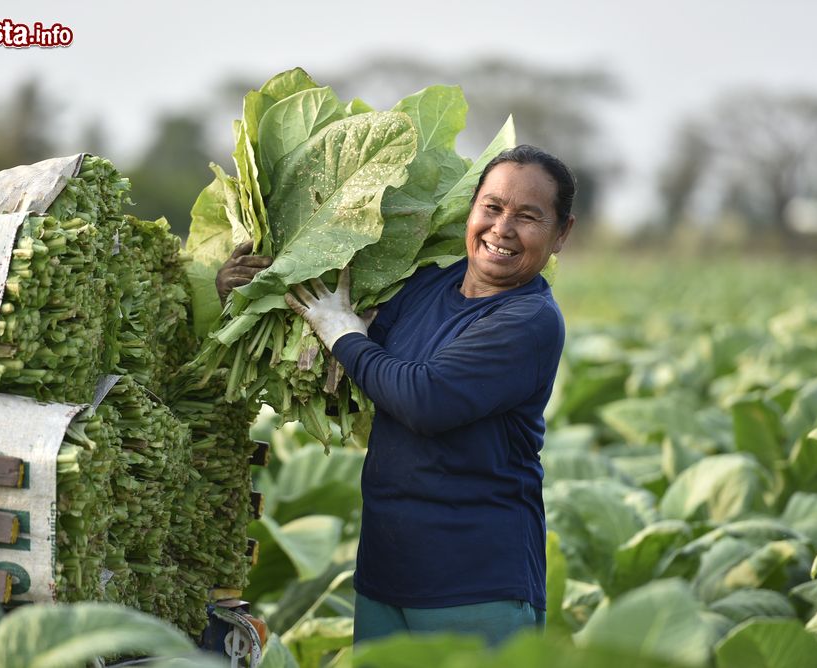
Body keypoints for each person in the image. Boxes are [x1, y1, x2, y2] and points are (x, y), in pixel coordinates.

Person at [218, 145, 576, 646]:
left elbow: (424, 401)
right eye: (492, 208)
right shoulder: (427, 286)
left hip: (476, 586)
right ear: (471, 211)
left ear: (561, 234)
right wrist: (247, 298)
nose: (503, 228)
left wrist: (342, 331)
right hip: (387, 576)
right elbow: (342, 379)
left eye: (528, 217)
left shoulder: (528, 321)